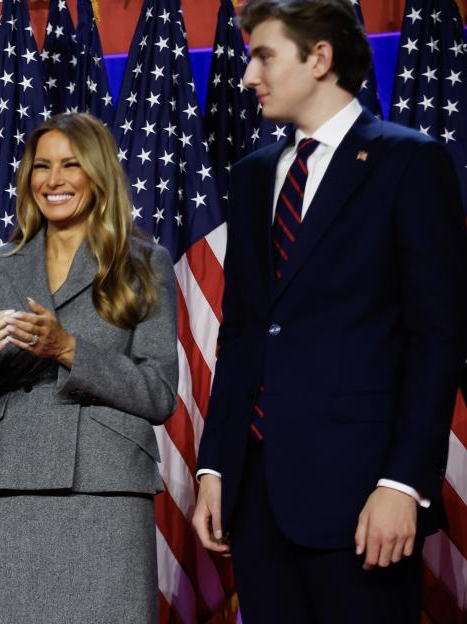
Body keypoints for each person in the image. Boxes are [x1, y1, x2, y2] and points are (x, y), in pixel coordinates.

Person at [192, 1, 467, 622]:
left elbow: (437, 336)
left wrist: (404, 483)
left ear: (320, 58)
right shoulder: (252, 174)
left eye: (264, 56)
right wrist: (215, 464)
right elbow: (241, 334)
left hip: (363, 492)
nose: (247, 77)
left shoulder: (408, 160)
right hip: (257, 495)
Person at [0, 113, 179, 622]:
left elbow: (159, 394)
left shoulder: (144, 263)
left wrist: (70, 350)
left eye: (70, 165)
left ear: (98, 173)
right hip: (10, 486)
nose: (53, 180)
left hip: (106, 487)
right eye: (41, 167)